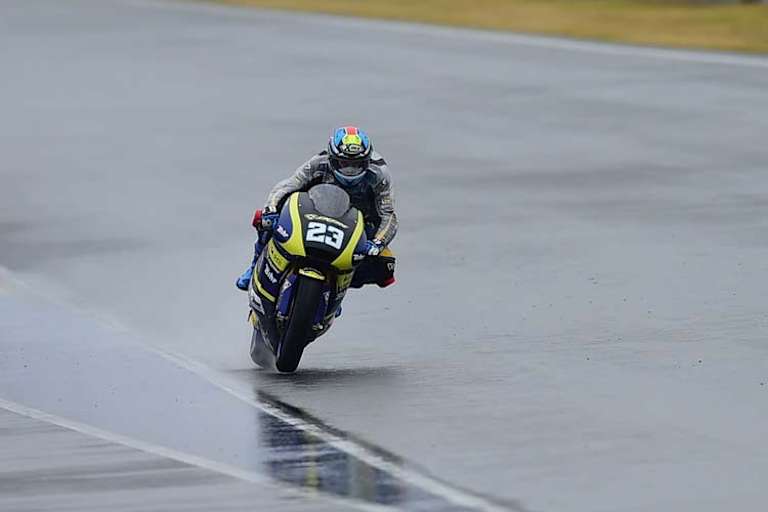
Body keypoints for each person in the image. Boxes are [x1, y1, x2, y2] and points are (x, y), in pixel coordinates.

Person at [236, 126, 397, 292]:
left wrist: (378, 242)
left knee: (384, 266)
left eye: (356, 165)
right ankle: (255, 265)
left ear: (367, 161)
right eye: (344, 163)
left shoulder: (379, 175)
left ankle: (337, 290)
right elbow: (288, 185)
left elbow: (388, 214)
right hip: (313, 211)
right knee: (264, 221)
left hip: (358, 223)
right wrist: (270, 209)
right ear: (333, 158)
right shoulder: (318, 163)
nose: (350, 171)